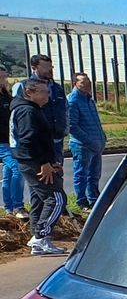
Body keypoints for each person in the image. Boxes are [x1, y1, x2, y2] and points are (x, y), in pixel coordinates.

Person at [11, 78, 69, 256]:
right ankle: (40, 236)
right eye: (43, 92)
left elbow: (41, 139)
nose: (48, 96)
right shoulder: (27, 111)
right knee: (57, 198)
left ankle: (39, 239)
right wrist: (44, 163)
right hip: (34, 163)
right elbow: (29, 140)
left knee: (39, 199)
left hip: (36, 161)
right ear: (30, 93)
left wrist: (52, 162)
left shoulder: (32, 109)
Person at [13, 54, 66, 167]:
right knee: (41, 178)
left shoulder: (57, 88)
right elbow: (16, 113)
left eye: (51, 66)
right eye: (45, 66)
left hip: (56, 138)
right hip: (37, 141)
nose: (49, 70)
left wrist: (65, 129)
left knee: (57, 174)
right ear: (34, 68)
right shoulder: (24, 86)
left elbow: (65, 109)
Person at [66, 72, 106, 208]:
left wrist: (102, 138)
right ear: (75, 84)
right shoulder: (73, 101)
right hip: (82, 145)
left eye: (88, 80)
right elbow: (72, 126)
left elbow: (96, 122)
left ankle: (94, 199)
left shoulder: (89, 100)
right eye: (83, 82)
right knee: (81, 174)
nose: (87, 84)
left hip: (96, 144)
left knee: (94, 175)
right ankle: (82, 201)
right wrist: (89, 141)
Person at [0, 72, 24, 219]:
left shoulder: (6, 96)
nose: (5, 78)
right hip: (1, 143)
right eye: (2, 76)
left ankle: (8, 207)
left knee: (8, 173)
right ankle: (18, 206)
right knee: (17, 168)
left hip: (12, 140)